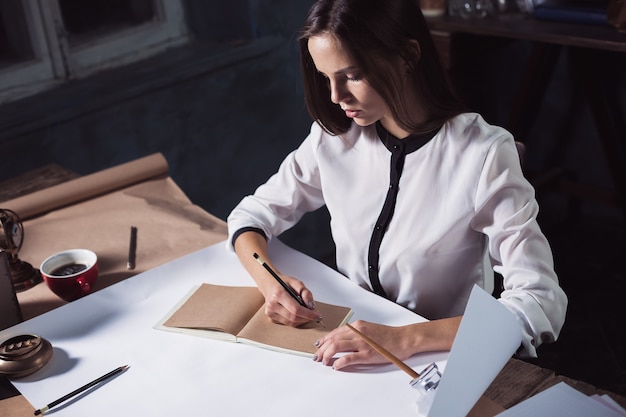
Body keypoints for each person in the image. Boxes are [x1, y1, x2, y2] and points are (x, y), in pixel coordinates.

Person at [226, 0, 567, 371]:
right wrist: (270, 283)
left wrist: (403, 339)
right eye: (326, 78)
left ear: (407, 56)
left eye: (352, 75)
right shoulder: (333, 140)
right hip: (347, 343)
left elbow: (539, 300)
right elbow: (252, 216)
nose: (336, 97)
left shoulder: (482, 153)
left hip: (444, 355)